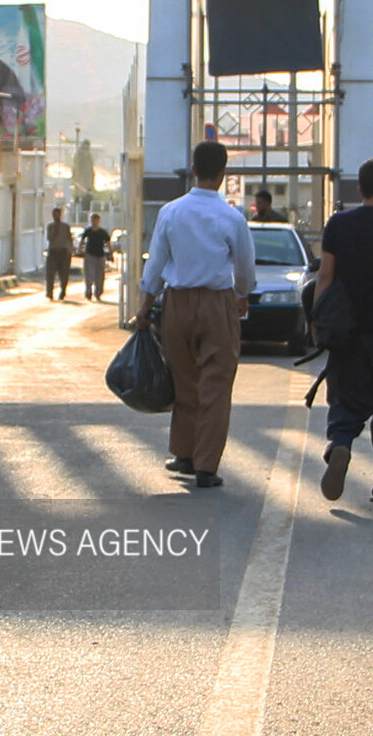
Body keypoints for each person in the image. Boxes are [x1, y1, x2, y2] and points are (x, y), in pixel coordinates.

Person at [135, 141, 255, 489]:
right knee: (215, 384)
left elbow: (155, 263)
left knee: (183, 378)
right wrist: (242, 294)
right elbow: (245, 267)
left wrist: (145, 308)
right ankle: (206, 465)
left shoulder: (171, 212)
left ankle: (183, 454)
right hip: (218, 303)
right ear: (222, 174)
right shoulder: (232, 217)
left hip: (177, 303)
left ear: (193, 170)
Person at [314, 159, 373, 503]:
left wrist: (317, 318)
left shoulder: (337, 224)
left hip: (344, 329)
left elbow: (325, 275)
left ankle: (340, 443)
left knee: (345, 397)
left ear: (359, 189)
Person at [79, 213, 114, 301]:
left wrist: (111, 253)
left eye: (96, 220)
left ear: (99, 221)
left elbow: (108, 243)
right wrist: (80, 249)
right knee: (89, 274)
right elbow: (82, 240)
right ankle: (89, 291)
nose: (94, 222)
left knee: (99, 276)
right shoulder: (88, 231)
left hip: (100, 256)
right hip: (89, 255)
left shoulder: (102, 232)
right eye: (93, 220)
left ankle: (98, 293)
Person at [45, 207, 73, 301]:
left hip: (63, 252)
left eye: (57, 214)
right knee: (50, 273)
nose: (55, 216)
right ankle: (49, 292)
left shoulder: (65, 227)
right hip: (53, 251)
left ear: (60, 215)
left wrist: (70, 251)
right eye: (54, 214)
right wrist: (55, 231)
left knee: (64, 274)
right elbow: (49, 238)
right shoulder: (50, 226)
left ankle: (63, 291)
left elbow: (69, 239)